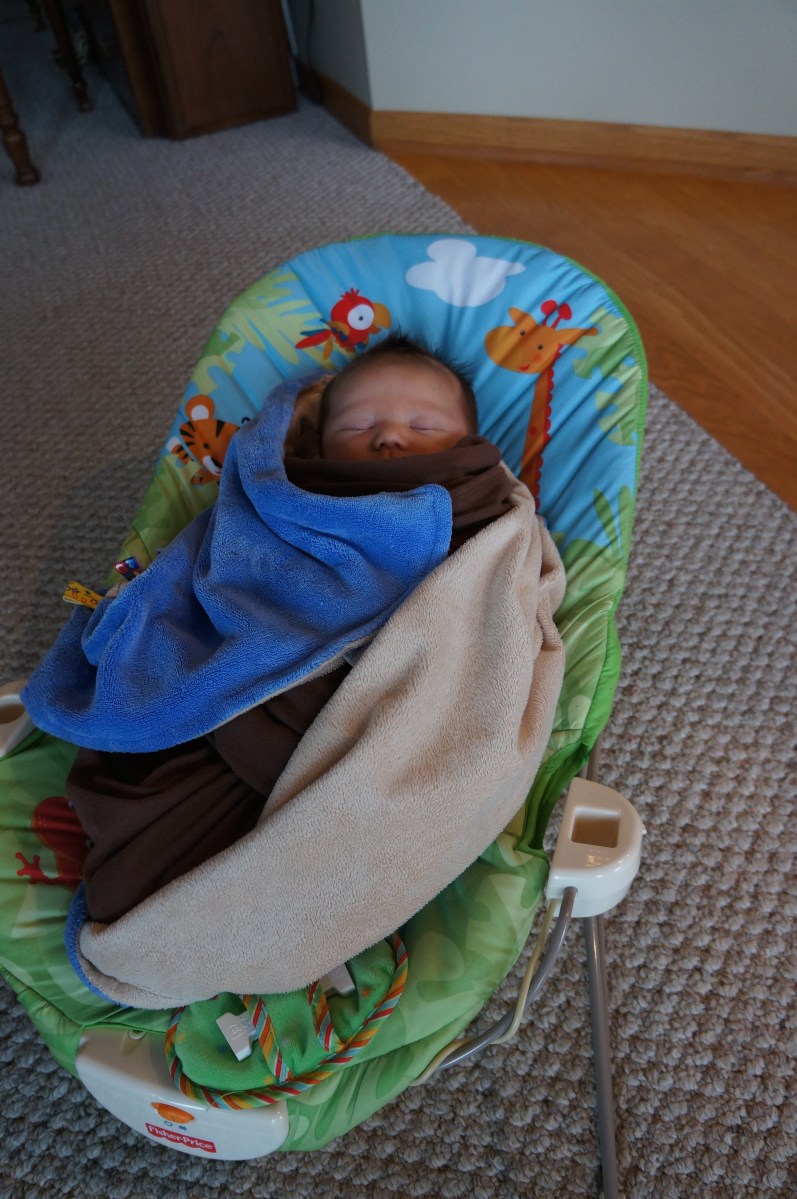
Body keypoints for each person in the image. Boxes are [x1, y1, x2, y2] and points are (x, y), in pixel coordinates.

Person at [67, 336, 518, 921]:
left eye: (424, 425)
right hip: (249, 694)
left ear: (470, 444)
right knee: (141, 853)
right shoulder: (285, 498)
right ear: (318, 441)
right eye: (358, 425)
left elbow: (496, 612)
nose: (389, 437)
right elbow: (222, 574)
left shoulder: (480, 507)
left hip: (377, 720)